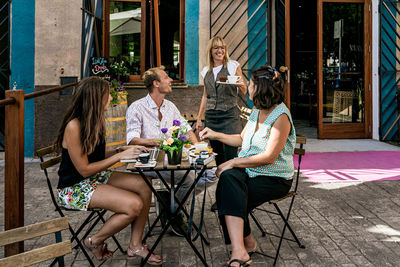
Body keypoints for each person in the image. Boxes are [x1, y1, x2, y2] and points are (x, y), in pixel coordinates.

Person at [55, 76, 162, 265]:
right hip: (74, 188)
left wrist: (121, 149)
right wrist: (118, 158)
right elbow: (84, 169)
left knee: (145, 184)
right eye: (107, 95)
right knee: (133, 205)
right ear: (96, 98)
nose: (111, 98)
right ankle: (93, 241)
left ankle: (135, 245)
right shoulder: (74, 126)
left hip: (93, 177)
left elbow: (94, 155)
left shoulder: (94, 120)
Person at [199, 65, 296, 267]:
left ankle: (242, 248)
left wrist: (232, 161)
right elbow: (241, 140)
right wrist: (214, 134)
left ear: (260, 88)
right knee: (229, 181)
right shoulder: (256, 111)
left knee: (229, 192)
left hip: (274, 178)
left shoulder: (281, 116)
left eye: (250, 84)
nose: (248, 87)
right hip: (250, 172)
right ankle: (244, 247)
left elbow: (269, 157)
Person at [126, 66, 199, 237]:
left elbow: (185, 129)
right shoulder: (136, 108)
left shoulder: (170, 106)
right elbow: (132, 139)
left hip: (170, 160)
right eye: (166, 77)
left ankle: (169, 207)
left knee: (202, 175)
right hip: (147, 162)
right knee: (189, 178)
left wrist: (197, 147)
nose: (171, 80)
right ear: (156, 83)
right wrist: (160, 142)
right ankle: (174, 211)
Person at [196, 36, 247, 211]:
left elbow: (244, 89)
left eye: (222, 48)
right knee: (219, 160)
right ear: (210, 51)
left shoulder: (233, 66)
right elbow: (205, 96)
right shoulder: (205, 71)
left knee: (232, 158)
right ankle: (222, 197)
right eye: (216, 48)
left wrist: (236, 81)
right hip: (212, 117)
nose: (220, 51)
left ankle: (234, 197)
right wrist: (199, 118)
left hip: (230, 116)